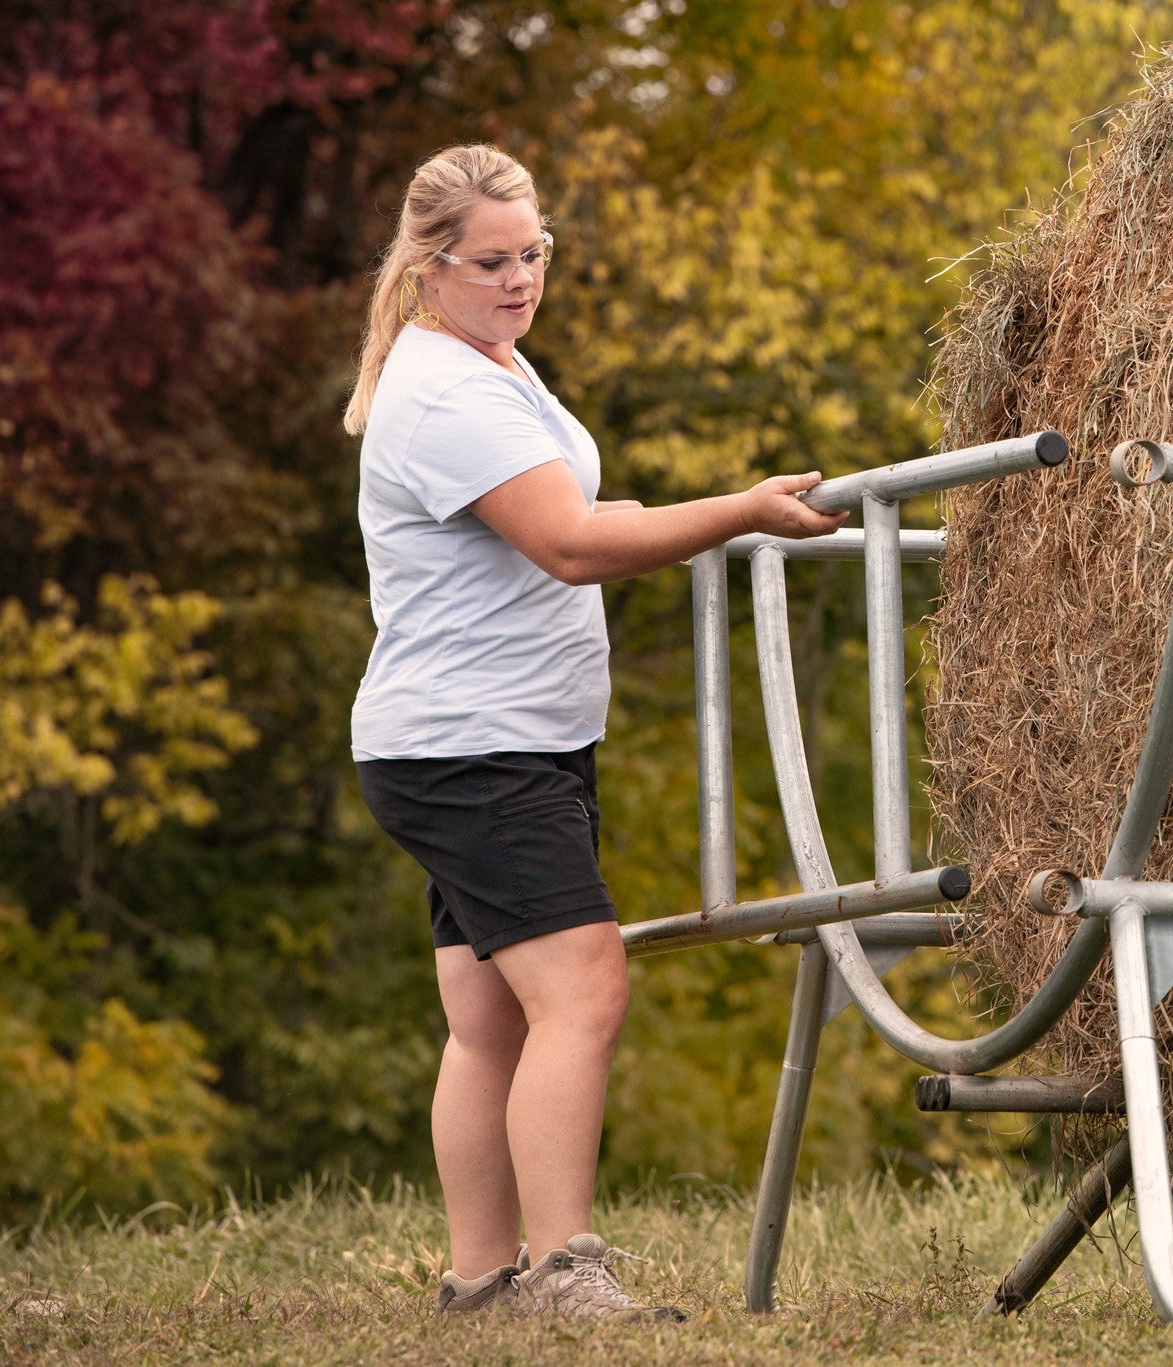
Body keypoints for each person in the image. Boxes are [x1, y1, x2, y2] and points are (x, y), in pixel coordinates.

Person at [342, 144, 846, 1322]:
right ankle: (566, 1272)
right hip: (475, 745)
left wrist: (714, 515)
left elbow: (576, 515)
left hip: (485, 739)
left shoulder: (491, 364)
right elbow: (567, 544)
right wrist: (738, 509)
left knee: (489, 1018)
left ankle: (480, 1281)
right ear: (428, 267)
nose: (520, 280)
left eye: (534, 255)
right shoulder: (448, 393)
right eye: (491, 262)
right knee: (585, 989)